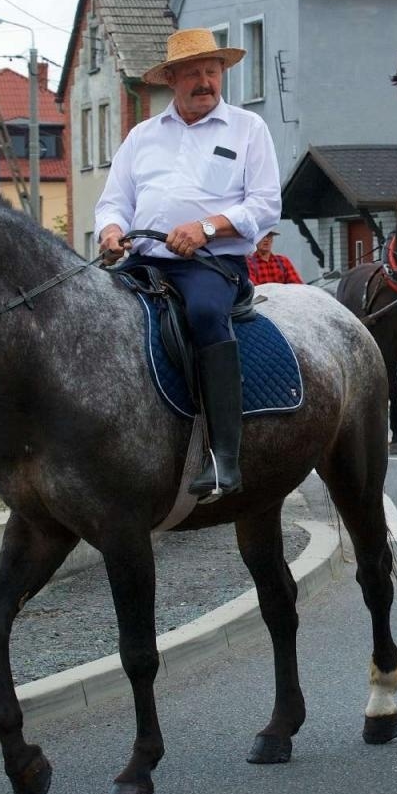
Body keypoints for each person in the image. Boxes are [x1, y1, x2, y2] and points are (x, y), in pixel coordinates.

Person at [94, 28, 281, 501]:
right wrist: (112, 232)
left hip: (210, 266)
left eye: (212, 71)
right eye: (193, 72)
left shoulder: (247, 129)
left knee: (202, 314)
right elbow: (113, 202)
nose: (205, 81)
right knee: (93, 311)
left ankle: (223, 458)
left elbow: (265, 205)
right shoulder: (142, 136)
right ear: (172, 79)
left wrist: (209, 227)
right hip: (144, 262)